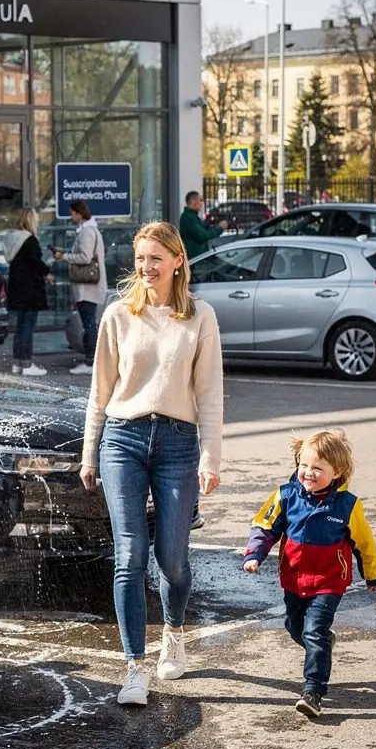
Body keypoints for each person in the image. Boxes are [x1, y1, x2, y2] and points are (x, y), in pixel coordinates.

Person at [80, 221, 223, 707]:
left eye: (156, 258)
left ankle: (174, 632)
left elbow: (210, 393)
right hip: (123, 438)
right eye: (140, 258)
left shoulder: (200, 316)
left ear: (178, 261)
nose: (146, 267)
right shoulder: (118, 314)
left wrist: (210, 457)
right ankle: (134, 668)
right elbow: (100, 391)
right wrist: (89, 452)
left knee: (172, 560)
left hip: (178, 444)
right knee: (129, 556)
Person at [243, 428, 376, 719]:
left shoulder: (348, 505)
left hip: (329, 583)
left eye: (317, 468)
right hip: (294, 578)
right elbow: (265, 526)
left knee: (313, 631)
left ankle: (314, 691)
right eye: (304, 465)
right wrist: (255, 554)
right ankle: (323, 644)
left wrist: (372, 574)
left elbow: (364, 542)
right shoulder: (285, 495)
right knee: (295, 627)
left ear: (337, 472)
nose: (308, 472)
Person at [54, 200, 108, 376]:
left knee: (89, 323)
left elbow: (85, 257)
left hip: (87, 287)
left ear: (79, 213)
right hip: (90, 286)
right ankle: (92, 360)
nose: (71, 216)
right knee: (89, 322)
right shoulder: (90, 231)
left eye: (72, 213)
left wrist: (65, 256)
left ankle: (91, 361)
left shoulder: (87, 232)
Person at [3, 206, 53, 377]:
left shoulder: (12, 239)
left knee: (20, 326)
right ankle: (26, 363)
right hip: (30, 289)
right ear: (31, 220)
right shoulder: (29, 240)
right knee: (27, 327)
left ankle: (18, 363)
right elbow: (35, 262)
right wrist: (47, 272)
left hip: (17, 288)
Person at [179, 189, 223, 259]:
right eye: (200, 200)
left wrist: (215, 227)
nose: (202, 204)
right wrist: (220, 228)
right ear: (192, 201)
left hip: (200, 258)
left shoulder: (193, 217)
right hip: (195, 260)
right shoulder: (188, 217)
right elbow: (202, 236)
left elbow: (205, 231)